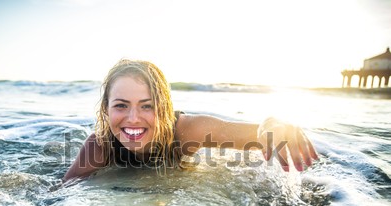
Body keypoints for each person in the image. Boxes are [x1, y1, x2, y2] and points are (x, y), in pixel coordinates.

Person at [63, 59, 318, 182]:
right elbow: (62, 191)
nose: (133, 118)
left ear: (164, 109)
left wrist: (275, 125)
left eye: (147, 106)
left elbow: (262, 133)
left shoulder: (188, 131)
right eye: (121, 106)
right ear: (105, 110)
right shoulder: (100, 145)